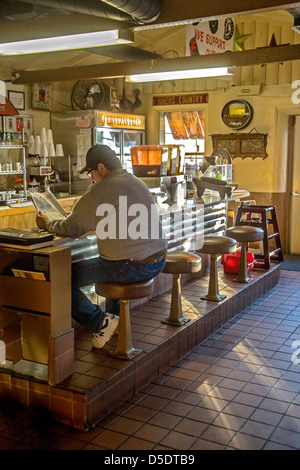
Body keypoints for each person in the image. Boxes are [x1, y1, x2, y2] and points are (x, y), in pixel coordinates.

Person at [36, 144, 167, 349]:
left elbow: (72, 228)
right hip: (158, 261)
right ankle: (113, 323)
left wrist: (47, 224)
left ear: (101, 167)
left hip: (131, 266)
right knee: (110, 262)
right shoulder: (137, 182)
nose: (91, 177)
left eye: (90, 172)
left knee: (59, 279)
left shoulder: (102, 188)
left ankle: (100, 322)